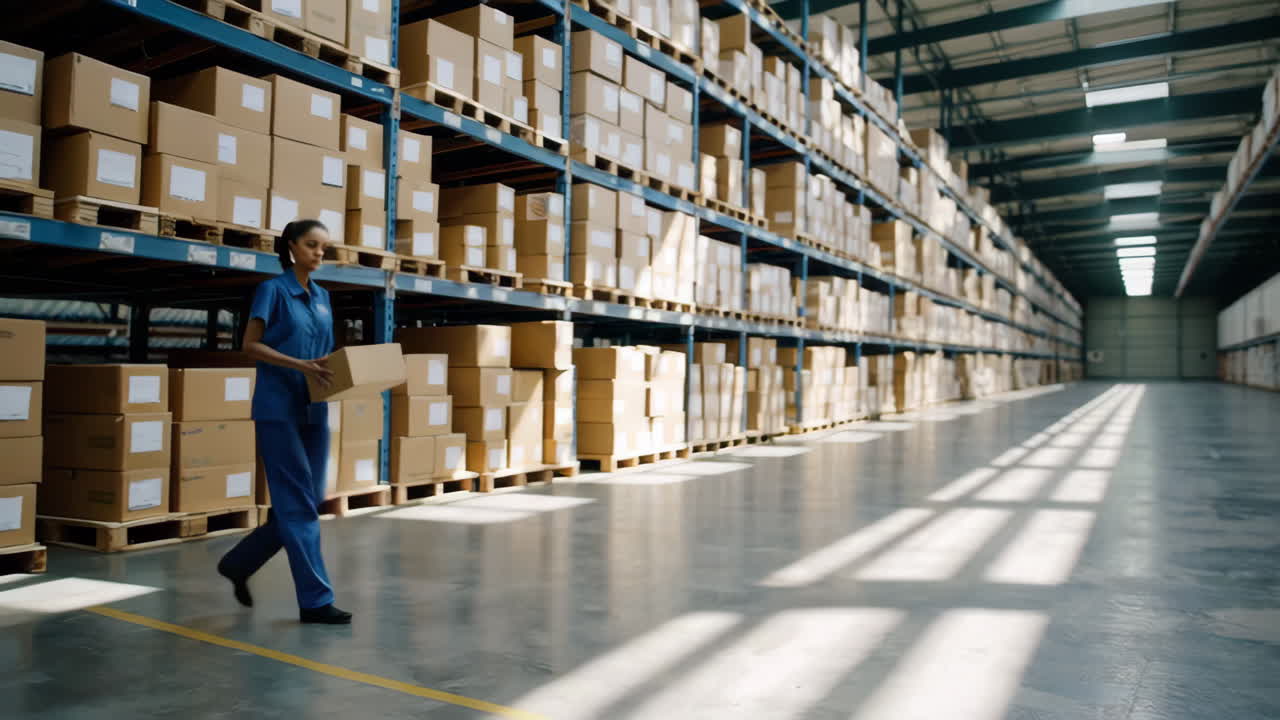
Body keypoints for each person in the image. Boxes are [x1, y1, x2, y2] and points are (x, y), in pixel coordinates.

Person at [217, 219, 351, 624]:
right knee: (298, 507)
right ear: (291, 247)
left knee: (307, 501)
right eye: (312, 245)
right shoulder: (272, 291)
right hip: (278, 408)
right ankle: (315, 601)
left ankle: (239, 563)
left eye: (324, 248)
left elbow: (322, 351)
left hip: (314, 405)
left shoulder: (324, 296)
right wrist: (299, 364)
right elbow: (250, 345)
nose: (319, 253)